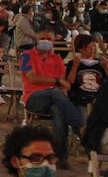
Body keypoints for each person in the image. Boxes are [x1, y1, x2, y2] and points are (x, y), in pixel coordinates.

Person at [20, 27, 83, 168]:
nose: (46, 41)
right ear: (36, 40)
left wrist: (59, 84)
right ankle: (80, 127)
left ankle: (60, 157)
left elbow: (64, 84)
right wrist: (57, 82)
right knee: (55, 92)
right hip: (34, 98)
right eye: (43, 38)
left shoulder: (57, 59)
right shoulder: (26, 55)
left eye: (49, 39)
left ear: (54, 41)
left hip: (55, 100)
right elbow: (33, 78)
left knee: (58, 110)